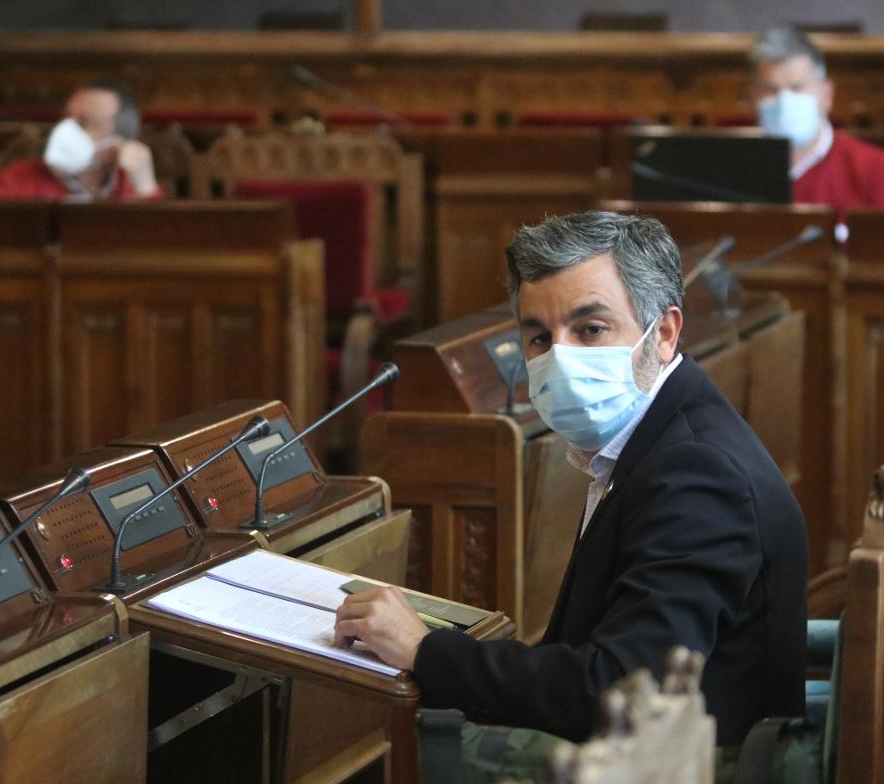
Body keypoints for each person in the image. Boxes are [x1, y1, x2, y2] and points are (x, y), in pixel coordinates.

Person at [335, 210, 810, 745]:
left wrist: (424, 650)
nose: (561, 359)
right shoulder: (670, 433)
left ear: (665, 333)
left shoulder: (696, 475)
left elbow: (618, 692)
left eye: (590, 329)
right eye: (539, 337)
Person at [751, 27, 884, 212]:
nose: (784, 101)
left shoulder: (876, 170)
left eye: (797, 88)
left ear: (826, 94)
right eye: (770, 90)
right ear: (751, 97)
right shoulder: (733, 170)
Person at [0, 78, 161, 201]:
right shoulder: (16, 180)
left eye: (84, 124)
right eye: (65, 118)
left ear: (119, 142)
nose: (64, 131)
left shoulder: (131, 186)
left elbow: (161, 249)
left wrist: (145, 189)